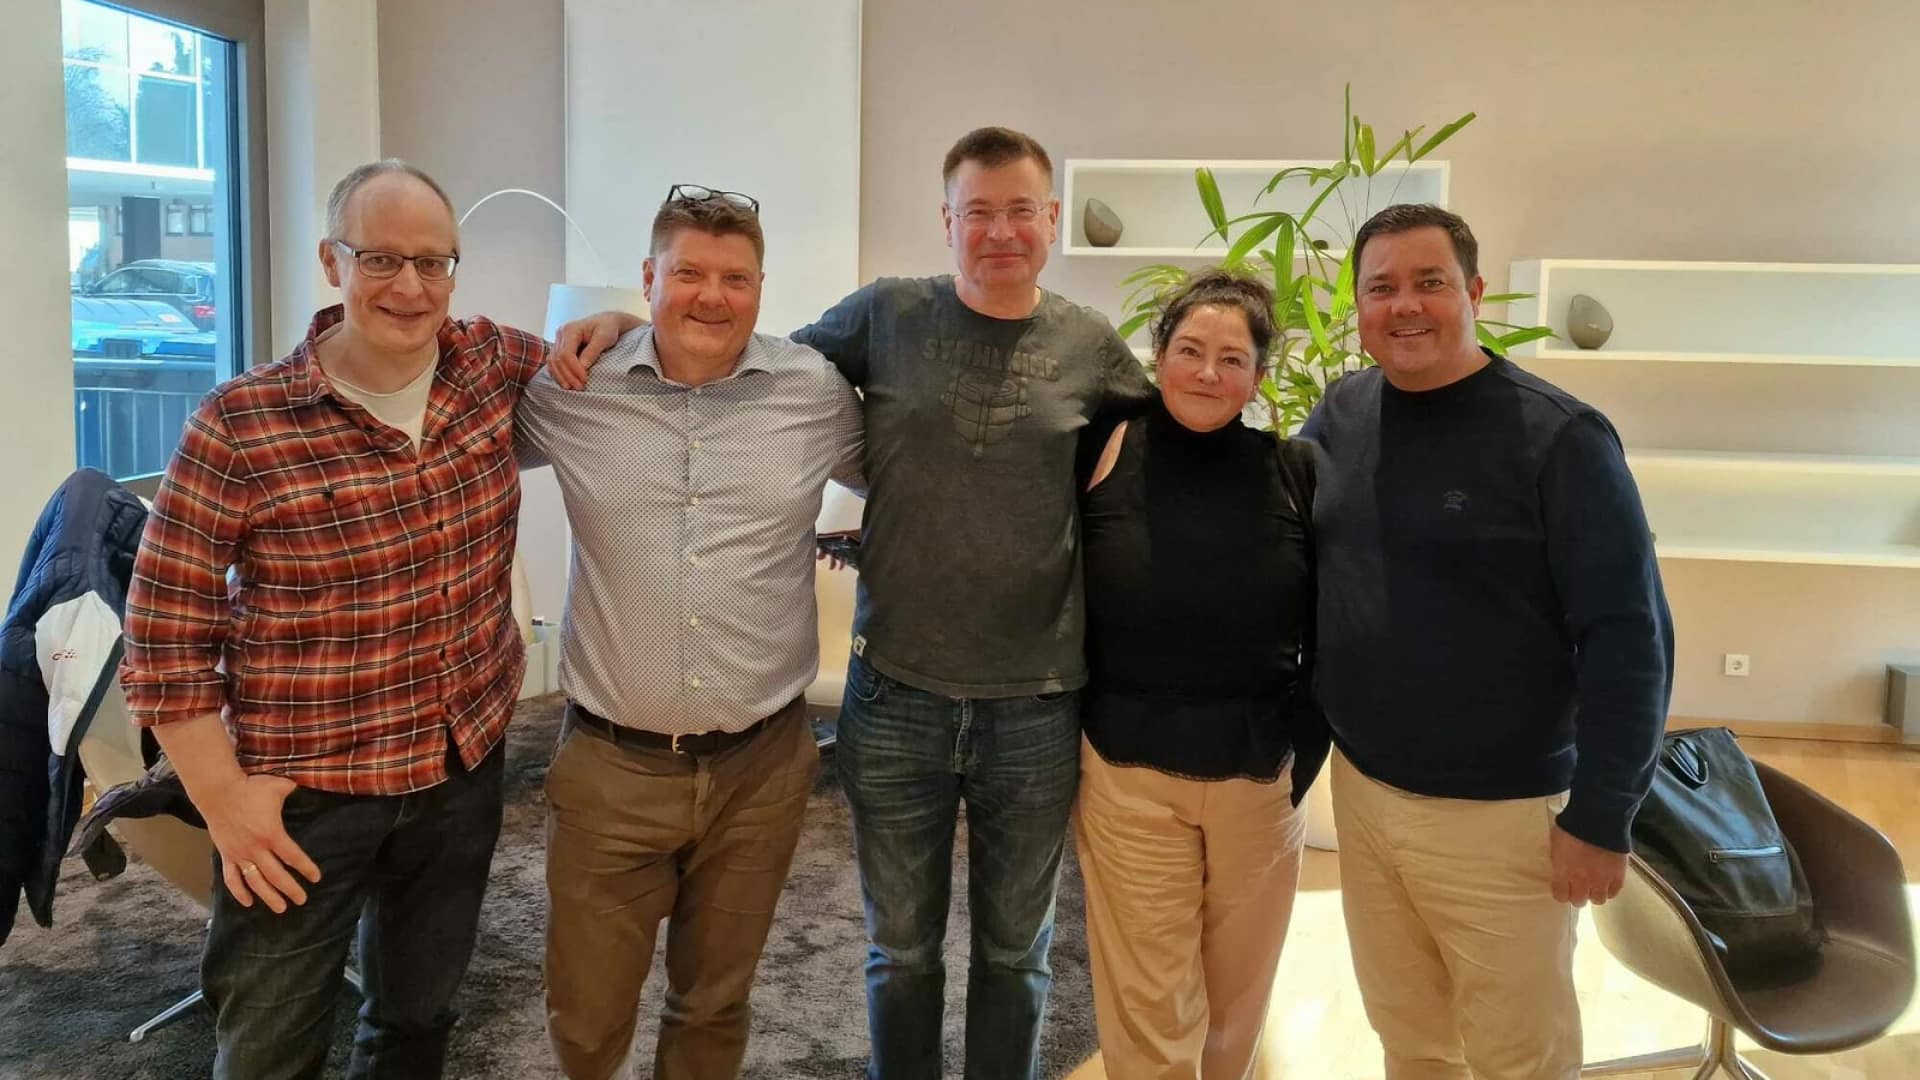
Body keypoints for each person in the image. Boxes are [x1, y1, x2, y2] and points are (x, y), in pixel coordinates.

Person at [555, 126, 1156, 1080]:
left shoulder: (1092, 346)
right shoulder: (884, 315)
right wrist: (631, 321)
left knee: (1018, 951)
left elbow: (1167, 445)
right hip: (896, 695)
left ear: (1050, 219)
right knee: (900, 950)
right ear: (946, 221)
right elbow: (741, 355)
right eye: (978, 211)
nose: (1001, 231)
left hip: (1037, 701)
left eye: (1020, 211)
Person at [120, 159, 551, 1079]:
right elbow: (162, 637)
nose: (410, 287)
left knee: (416, 1022)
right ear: (331, 262)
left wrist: (619, 321)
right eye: (380, 259)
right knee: (270, 1045)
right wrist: (224, 803)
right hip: (305, 790)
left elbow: (601, 362)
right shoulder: (240, 424)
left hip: (460, 764)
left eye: (432, 263)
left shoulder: (490, 365)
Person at [1301, 203, 1674, 1080]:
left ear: (1472, 293)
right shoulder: (1343, 411)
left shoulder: (1560, 439)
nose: (1404, 305)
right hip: (1362, 791)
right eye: (1381, 287)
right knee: (1410, 1035)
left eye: (1428, 282)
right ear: (1358, 307)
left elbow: (1630, 639)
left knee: (1519, 1055)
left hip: (1501, 818)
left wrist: (1603, 817)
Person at [515, 186, 863, 1080]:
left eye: (735, 278)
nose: (712, 296)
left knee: (715, 1003)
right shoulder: (572, 389)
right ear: (649, 277)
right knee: (586, 1016)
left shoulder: (814, 392)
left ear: (761, 288)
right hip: (612, 767)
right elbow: (446, 425)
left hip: (763, 768)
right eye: (688, 274)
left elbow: (916, 469)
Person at [1074, 269, 1328, 1080]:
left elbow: (1333, 626)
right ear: (1158, 354)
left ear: (1259, 375)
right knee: (1150, 1004)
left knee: (1236, 1002)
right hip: (1128, 771)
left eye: (1232, 358)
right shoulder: (1103, 448)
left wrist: (1304, 751)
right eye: (1189, 350)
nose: (1207, 373)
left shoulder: (1298, 470)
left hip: (1259, 774)